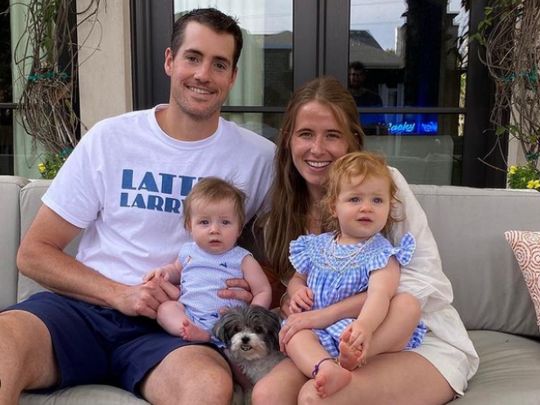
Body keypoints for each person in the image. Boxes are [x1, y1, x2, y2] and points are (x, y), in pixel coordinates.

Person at [0, 8, 275, 405]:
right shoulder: (111, 138)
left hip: (178, 328)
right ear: (170, 61)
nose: (203, 74)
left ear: (232, 76)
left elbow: (292, 252)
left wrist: (256, 284)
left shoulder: (258, 158)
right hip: (83, 313)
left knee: (207, 386)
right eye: (193, 57)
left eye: (219, 64)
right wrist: (119, 294)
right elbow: (33, 253)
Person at [251, 76, 478, 405]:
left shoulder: (382, 187)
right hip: (328, 341)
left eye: (332, 135)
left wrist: (327, 315)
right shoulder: (283, 209)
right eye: (306, 134)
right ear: (288, 139)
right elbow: (302, 286)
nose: (317, 148)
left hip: (409, 338)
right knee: (267, 394)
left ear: (352, 140)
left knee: (317, 398)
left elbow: (424, 280)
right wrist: (292, 298)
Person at [283, 151, 426, 399]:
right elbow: (297, 278)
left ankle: (357, 355)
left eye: (377, 200)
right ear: (334, 207)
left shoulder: (382, 253)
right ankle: (325, 367)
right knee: (294, 333)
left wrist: (364, 326)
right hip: (315, 329)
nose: (366, 207)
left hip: (355, 331)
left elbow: (379, 295)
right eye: (355, 199)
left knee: (408, 305)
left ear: (389, 207)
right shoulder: (316, 245)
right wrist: (297, 292)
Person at [144, 177, 272, 342]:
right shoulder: (188, 252)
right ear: (190, 226)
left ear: (239, 229)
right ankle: (192, 331)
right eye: (204, 222)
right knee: (165, 309)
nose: (214, 230)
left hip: (228, 320)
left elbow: (262, 290)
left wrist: (249, 318)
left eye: (225, 222)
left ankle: (214, 337)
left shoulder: (243, 259)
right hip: (189, 315)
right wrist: (164, 273)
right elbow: (176, 270)